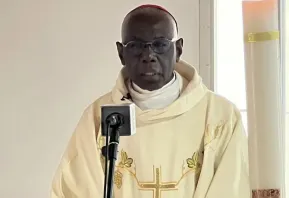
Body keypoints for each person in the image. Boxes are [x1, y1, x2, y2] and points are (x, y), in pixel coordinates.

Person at [50, 4, 250, 198]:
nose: (148, 56)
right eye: (136, 46)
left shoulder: (219, 117)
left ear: (178, 49)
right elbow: (74, 191)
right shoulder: (97, 119)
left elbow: (231, 187)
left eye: (160, 44)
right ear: (121, 53)